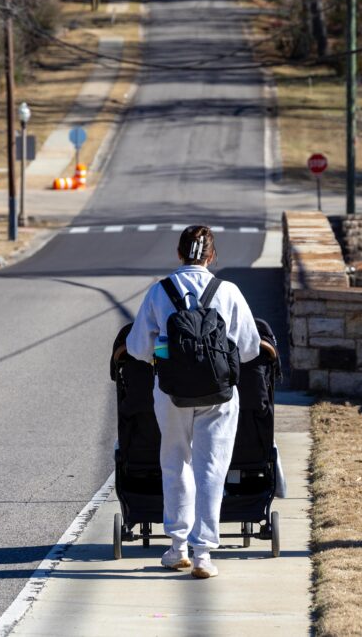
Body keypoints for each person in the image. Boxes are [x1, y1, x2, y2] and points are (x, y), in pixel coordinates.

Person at [125, 225, 260, 579]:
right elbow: (249, 349)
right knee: (212, 467)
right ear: (212, 256)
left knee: (175, 462)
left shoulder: (159, 291)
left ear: (179, 252)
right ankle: (203, 554)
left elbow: (138, 348)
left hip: (170, 393)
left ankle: (177, 547)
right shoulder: (228, 292)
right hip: (220, 394)